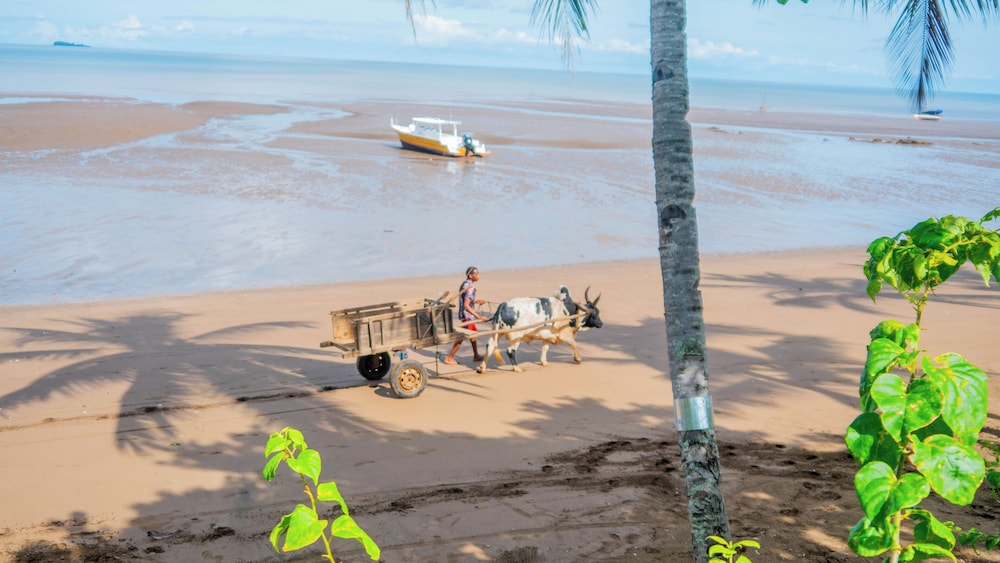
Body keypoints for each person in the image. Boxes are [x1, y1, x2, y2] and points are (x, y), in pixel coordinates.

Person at [443, 266, 488, 365]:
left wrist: (476, 301)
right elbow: (466, 305)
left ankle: (476, 355)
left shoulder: (466, 284)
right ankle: (449, 358)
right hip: (467, 316)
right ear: (470, 276)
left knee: (473, 333)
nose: (478, 276)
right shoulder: (470, 287)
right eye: (476, 274)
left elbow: (466, 300)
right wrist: (479, 317)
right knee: (462, 337)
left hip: (465, 314)